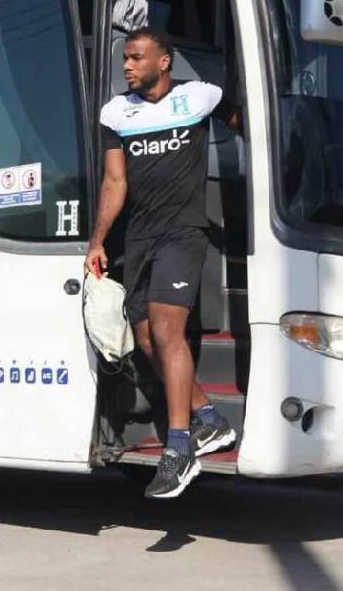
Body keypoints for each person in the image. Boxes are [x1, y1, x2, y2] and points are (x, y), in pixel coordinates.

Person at [86, 27, 238, 499]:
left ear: (164, 61)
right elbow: (115, 182)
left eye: (136, 58)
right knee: (146, 335)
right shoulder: (116, 111)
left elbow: (248, 119)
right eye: (125, 58)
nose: (127, 66)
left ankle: (179, 449)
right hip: (139, 237)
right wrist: (97, 241)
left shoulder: (199, 97)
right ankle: (209, 419)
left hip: (183, 234)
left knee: (169, 330)